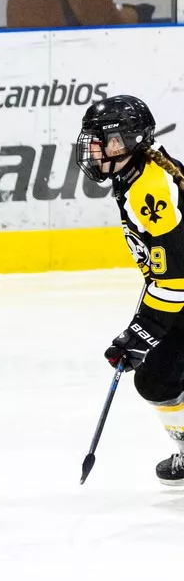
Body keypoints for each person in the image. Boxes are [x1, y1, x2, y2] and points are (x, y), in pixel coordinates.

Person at [80, 96, 184, 482]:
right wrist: (143, 329)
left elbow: (175, 279)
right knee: (157, 378)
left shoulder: (149, 189)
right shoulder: (138, 172)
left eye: (101, 140)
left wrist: (142, 332)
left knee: (158, 377)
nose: (92, 149)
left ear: (128, 141)